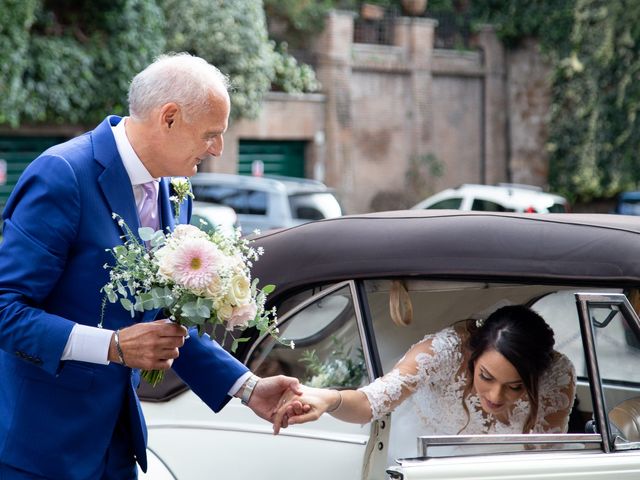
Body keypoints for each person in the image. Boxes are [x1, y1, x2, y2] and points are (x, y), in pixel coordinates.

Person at [0, 53, 301, 480]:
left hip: (118, 445)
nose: (217, 148)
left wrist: (248, 388)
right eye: (211, 135)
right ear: (170, 117)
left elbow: (162, 317)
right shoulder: (62, 174)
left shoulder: (176, 190)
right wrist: (112, 346)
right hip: (40, 449)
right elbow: (5, 310)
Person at [275, 305, 576, 453]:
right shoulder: (444, 352)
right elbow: (371, 402)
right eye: (486, 377)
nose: (496, 396)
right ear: (473, 356)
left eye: (516, 388)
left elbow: (546, 458)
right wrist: (330, 398)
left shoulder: (557, 375)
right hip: (411, 463)